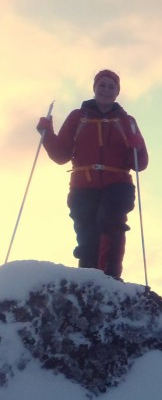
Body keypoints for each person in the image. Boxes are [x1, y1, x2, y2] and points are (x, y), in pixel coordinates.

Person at [36, 69, 148, 279]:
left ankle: (110, 276)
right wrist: (47, 134)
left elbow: (140, 163)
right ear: (94, 88)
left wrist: (137, 146)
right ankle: (88, 277)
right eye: (102, 85)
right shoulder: (77, 117)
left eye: (111, 86)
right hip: (83, 186)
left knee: (110, 223)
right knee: (86, 230)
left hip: (118, 184)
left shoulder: (127, 121)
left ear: (117, 92)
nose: (106, 90)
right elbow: (61, 155)